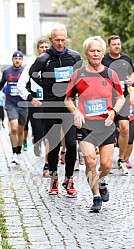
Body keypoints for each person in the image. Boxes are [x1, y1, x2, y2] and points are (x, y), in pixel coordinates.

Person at [65, 36, 125, 212]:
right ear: (86, 53)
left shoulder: (110, 73)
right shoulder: (78, 74)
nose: (96, 54)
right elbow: (68, 100)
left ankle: (103, 180)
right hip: (86, 125)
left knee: (105, 165)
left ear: (103, 52)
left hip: (106, 125)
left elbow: (121, 97)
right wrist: (75, 111)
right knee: (90, 162)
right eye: (92, 50)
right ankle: (96, 196)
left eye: (99, 50)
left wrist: (114, 111)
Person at [29, 25, 82, 195]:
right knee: (53, 145)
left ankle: (69, 179)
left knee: (72, 144)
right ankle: (54, 179)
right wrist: (47, 87)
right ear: (51, 39)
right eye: (57, 40)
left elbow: (80, 76)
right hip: (51, 106)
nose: (60, 43)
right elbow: (33, 73)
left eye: (63, 39)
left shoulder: (74, 56)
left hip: (69, 106)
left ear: (66, 39)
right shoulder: (43, 59)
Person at [102, 35, 134, 175]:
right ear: (109, 46)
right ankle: (106, 160)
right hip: (107, 99)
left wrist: (131, 80)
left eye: (119, 44)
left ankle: (121, 160)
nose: (117, 46)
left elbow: (133, 72)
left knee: (125, 128)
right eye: (114, 44)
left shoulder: (126, 58)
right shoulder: (103, 59)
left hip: (123, 97)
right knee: (107, 129)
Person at [17, 38, 50, 176]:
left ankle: (48, 165)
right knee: (39, 135)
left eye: (46, 46)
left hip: (50, 102)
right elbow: (20, 85)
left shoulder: (54, 64)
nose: (44, 49)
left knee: (50, 134)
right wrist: (30, 98)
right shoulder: (31, 64)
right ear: (38, 49)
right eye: (41, 47)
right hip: (35, 103)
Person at [0, 51, 28, 164]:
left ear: (22, 60)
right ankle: (14, 153)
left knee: (21, 131)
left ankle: (19, 151)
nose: (17, 60)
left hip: (23, 104)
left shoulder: (25, 72)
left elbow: (30, 86)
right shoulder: (7, 72)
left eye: (19, 58)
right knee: (14, 128)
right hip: (11, 104)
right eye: (15, 58)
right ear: (12, 60)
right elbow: (1, 84)